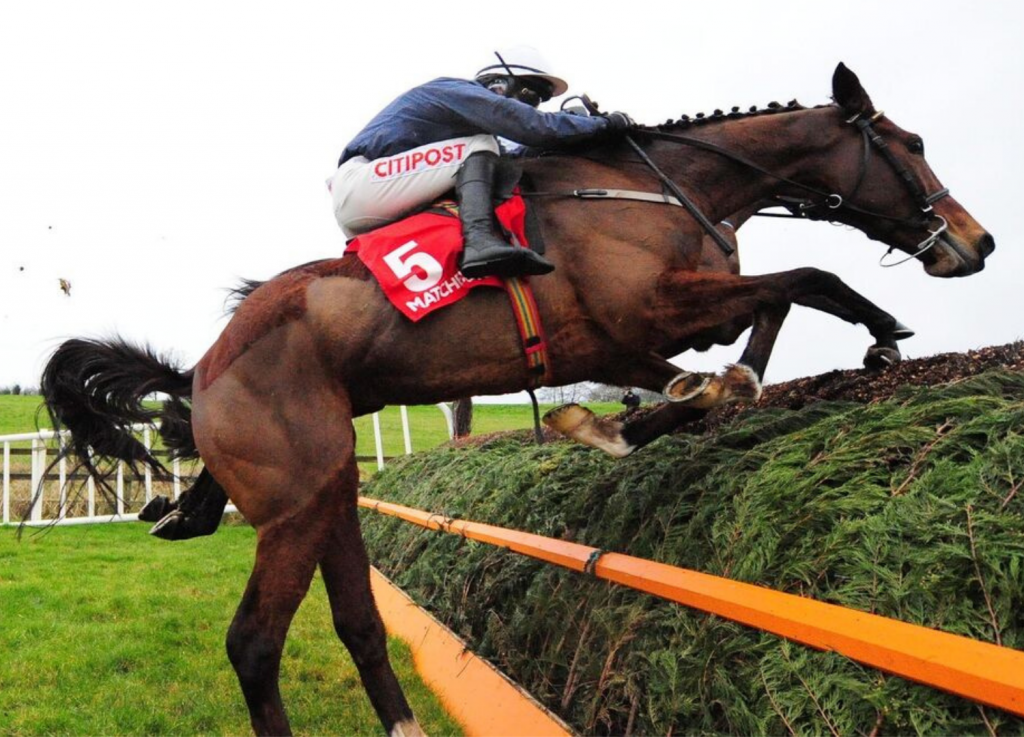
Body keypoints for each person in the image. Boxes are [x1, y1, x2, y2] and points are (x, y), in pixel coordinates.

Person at [329, 46, 635, 279]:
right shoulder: (455, 90)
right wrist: (605, 125)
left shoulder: (465, 120)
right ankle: (480, 242)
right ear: (498, 84)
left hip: (377, 193)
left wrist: (579, 135)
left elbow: (516, 152)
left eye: (541, 100)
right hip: (361, 184)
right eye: (532, 93)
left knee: (491, 155)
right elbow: (533, 127)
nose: (534, 104)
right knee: (482, 145)